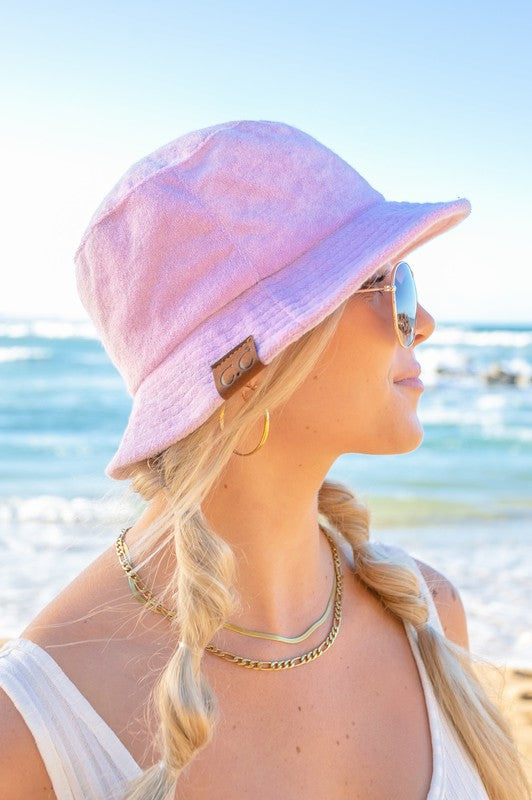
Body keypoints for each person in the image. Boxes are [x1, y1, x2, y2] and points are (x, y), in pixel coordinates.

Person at [0, 120, 529, 800]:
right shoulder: (34, 733)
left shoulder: (431, 618)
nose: (421, 320)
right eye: (385, 282)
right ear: (259, 360)